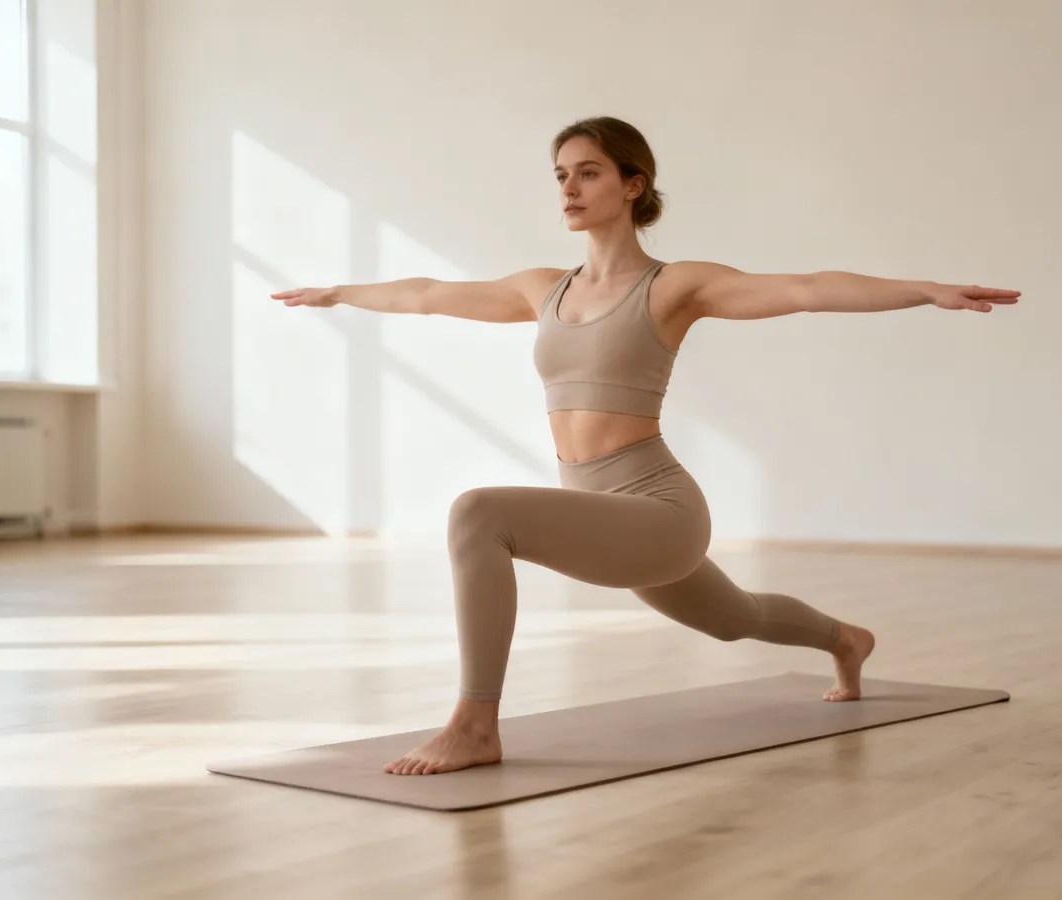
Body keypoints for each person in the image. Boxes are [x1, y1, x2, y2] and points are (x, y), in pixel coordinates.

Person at [272, 116, 1020, 776]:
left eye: (588, 172)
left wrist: (924, 289)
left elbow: (804, 287)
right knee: (735, 618)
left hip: (657, 509)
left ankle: (474, 725)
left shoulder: (674, 286)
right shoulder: (544, 288)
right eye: (561, 175)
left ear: (634, 184)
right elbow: (428, 294)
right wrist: (339, 293)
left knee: (477, 513)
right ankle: (846, 641)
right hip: (599, 514)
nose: (568, 188)